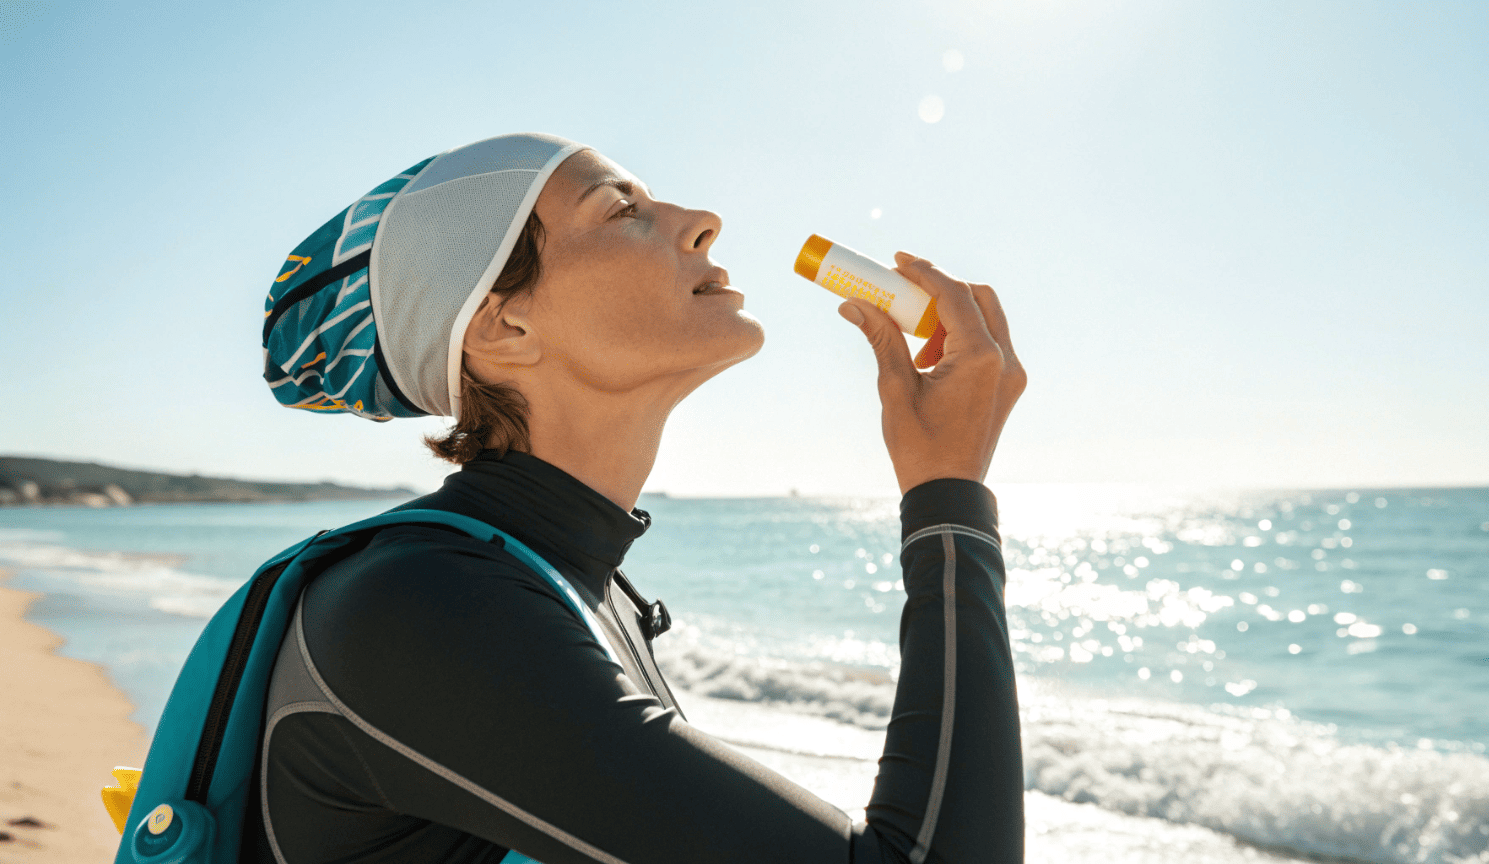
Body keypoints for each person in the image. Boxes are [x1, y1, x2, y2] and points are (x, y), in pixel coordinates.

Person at [253, 133, 1027, 863]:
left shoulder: (567, 583)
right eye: (622, 210)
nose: (703, 223)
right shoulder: (423, 608)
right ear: (506, 327)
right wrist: (947, 493)